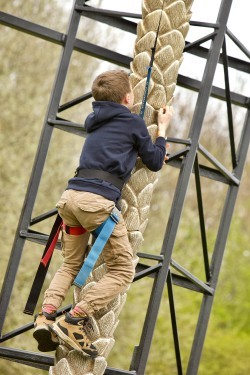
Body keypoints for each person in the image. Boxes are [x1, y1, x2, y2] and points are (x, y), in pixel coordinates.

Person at [33, 69, 173, 357]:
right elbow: (156, 161)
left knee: (70, 265)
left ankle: (46, 316)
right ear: (128, 98)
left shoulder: (93, 122)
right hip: (96, 204)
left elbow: (114, 148)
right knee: (122, 270)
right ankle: (74, 319)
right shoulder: (133, 122)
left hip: (70, 201)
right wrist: (162, 130)